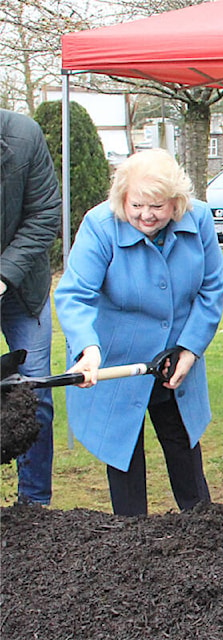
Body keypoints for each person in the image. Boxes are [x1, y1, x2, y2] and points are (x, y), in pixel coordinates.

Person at [54, 148, 223, 516]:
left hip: (175, 361)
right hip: (117, 362)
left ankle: (208, 543)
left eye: (158, 207)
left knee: (186, 457)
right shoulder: (100, 226)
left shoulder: (197, 221)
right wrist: (87, 348)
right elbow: (75, 295)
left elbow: (213, 288)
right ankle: (130, 548)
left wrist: (190, 348)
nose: (146, 215)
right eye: (137, 206)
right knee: (124, 463)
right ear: (122, 198)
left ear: (176, 202)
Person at [0, 109, 62, 506]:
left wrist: (3, 275)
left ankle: (34, 504)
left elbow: (44, 214)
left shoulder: (23, 136)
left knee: (33, 392)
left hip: (22, 289)